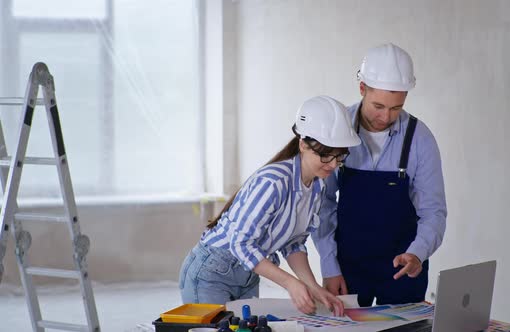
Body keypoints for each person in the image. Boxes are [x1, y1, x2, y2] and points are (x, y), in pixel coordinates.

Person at [179, 95, 361, 316]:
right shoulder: (273, 181)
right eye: (325, 156)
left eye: (339, 156)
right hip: (213, 271)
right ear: (303, 144)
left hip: (248, 272)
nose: (333, 164)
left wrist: (313, 288)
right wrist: (290, 283)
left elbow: (293, 244)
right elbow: (241, 244)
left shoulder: (316, 187)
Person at [312, 43, 447, 306]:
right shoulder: (337, 130)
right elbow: (322, 204)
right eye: (378, 106)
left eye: (396, 107)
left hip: (403, 269)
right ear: (362, 88)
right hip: (347, 267)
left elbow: (433, 211)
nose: (386, 116)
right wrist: (329, 265)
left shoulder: (420, 139)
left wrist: (418, 253)